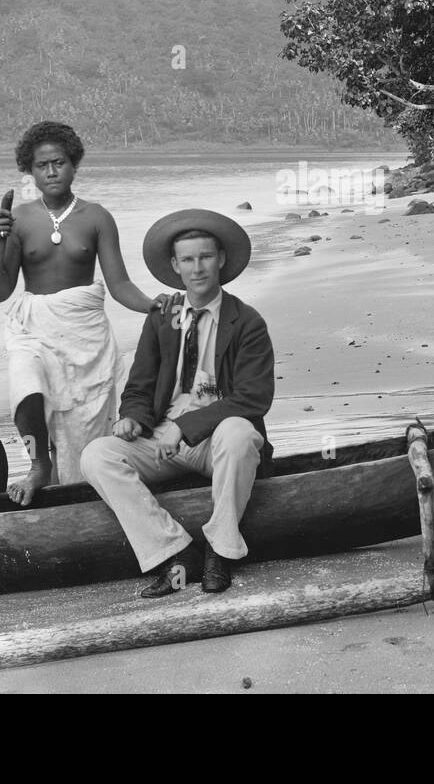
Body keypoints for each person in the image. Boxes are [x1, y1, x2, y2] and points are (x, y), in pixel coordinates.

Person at [79, 208, 275, 596]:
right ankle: (175, 551)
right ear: (175, 265)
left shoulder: (247, 321)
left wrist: (186, 428)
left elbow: (254, 397)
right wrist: (132, 417)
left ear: (220, 259)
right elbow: (138, 385)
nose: (197, 268)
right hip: (161, 442)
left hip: (215, 443)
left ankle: (221, 549)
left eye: (205, 257)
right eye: (188, 259)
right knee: (96, 455)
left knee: (239, 433)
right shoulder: (161, 317)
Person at [0, 122, 171, 506]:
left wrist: (151, 304)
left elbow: (119, 285)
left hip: (84, 330)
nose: (51, 172)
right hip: (31, 327)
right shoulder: (17, 220)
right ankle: (38, 464)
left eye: (59, 163)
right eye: (41, 166)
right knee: (25, 386)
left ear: (74, 165)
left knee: (85, 426)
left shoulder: (96, 217)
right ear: (29, 171)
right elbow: (0, 292)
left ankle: (85, 484)